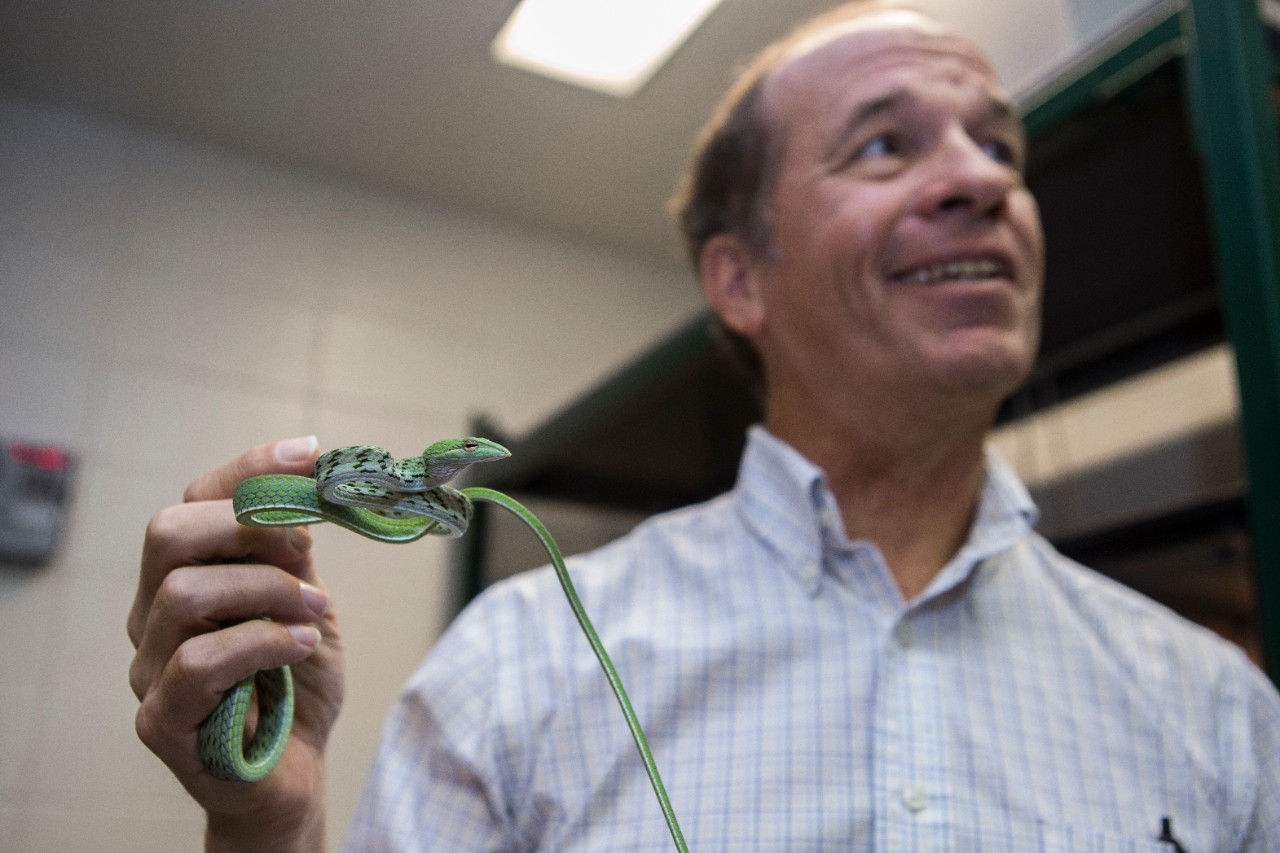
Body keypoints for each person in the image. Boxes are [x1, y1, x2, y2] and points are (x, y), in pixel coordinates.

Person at [129, 2, 1280, 850]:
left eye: (999, 147)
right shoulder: (516, 665)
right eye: (885, 144)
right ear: (738, 280)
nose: (978, 179)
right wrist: (266, 831)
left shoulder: (1219, 708)